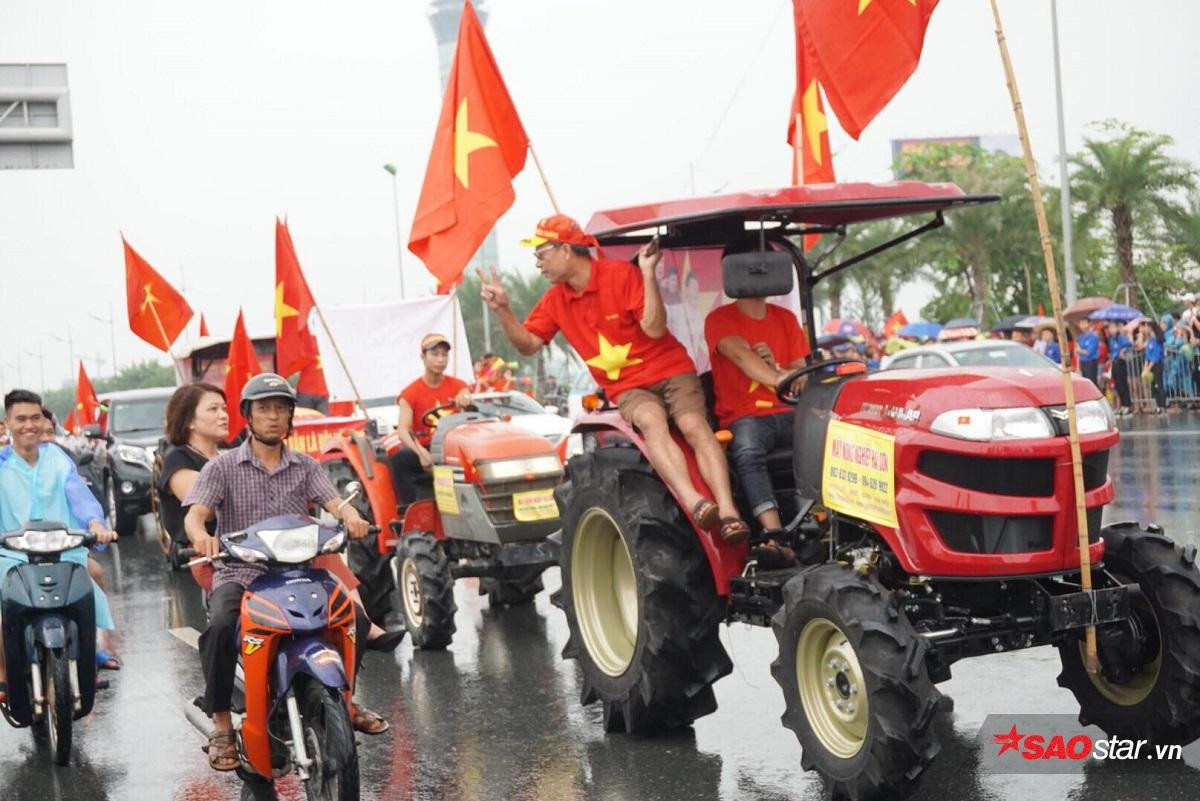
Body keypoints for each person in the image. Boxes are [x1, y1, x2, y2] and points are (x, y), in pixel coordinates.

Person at [480, 214, 749, 543]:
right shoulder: (554, 300)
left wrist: (648, 274)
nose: (538, 263)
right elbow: (528, 345)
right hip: (628, 387)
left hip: (670, 369)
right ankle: (695, 502)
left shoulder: (621, 275)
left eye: (541, 253)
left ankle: (728, 511)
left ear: (565, 250)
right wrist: (503, 310)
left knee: (694, 424)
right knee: (651, 420)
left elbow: (653, 328)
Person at [183, 374, 389, 770]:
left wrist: (352, 516)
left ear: (291, 415)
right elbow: (196, 516)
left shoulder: (305, 466)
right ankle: (223, 723)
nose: (273, 417)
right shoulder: (223, 467)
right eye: (264, 408)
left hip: (300, 573)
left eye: (281, 408)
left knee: (356, 620)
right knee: (223, 625)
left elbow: (335, 503)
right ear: (248, 415)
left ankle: (344, 699)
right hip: (240, 575)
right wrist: (201, 536)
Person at [0, 390, 120, 704]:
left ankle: (89, 652)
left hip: (63, 552)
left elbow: (79, 497)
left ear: (44, 420)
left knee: (86, 589)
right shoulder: (1, 464)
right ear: (7, 423)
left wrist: (96, 526)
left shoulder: (59, 459)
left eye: (35, 417)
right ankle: (3, 673)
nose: (29, 425)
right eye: (21, 419)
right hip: (11, 555)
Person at [704, 265, 811, 566]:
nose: (761, 272)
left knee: (832, 433)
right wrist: (776, 376)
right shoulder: (720, 320)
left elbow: (799, 376)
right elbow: (739, 353)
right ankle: (775, 535)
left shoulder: (786, 319)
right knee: (748, 450)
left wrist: (777, 369)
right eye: (754, 266)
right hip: (745, 417)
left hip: (788, 412)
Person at [389, 333, 472, 506]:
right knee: (400, 459)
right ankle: (409, 509)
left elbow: (466, 394)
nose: (440, 359)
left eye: (444, 354)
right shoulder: (410, 393)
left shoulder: (458, 385)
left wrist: (465, 397)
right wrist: (421, 453)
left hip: (452, 445)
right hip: (426, 446)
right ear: (423, 357)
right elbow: (404, 430)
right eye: (435, 354)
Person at [1106, 321, 1133, 415]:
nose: (1112, 330)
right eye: (1110, 328)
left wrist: (1123, 350)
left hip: (1120, 362)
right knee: (1117, 385)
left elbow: (1129, 344)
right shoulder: (1111, 339)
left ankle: (1128, 405)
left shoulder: (1120, 337)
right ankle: (1122, 405)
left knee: (1123, 383)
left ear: (1117, 328)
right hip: (1114, 362)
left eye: (1113, 328)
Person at [1076, 320, 1101, 387]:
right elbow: (1077, 351)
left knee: (1092, 383)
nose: (1082, 325)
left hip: (1091, 363)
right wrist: (1078, 367)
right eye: (1081, 323)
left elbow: (1088, 352)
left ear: (1089, 324)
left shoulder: (1093, 336)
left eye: (1084, 323)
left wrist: (1080, 350)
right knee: (1085, 384)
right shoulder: (1081, 337)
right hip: (1083, 362)